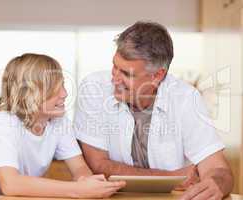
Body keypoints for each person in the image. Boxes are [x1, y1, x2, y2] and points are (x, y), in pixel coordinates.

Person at [74, 21, 234, 200]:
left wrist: (217, 183)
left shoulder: (186, 98)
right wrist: (173, 177)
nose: (115, 79)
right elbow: (98, 165)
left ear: (157, 75)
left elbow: (217, 168)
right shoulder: (93, 88)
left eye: (127, 74)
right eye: (114, 67)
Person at [0, 53, 125, 198]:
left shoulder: (59, 120)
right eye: (56, 88)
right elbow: (10, 185)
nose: (64, 94)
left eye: (63, 85)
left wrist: (87, 182)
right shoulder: (5, 121)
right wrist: (78, 190)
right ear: (29, 93)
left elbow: (79, 167)